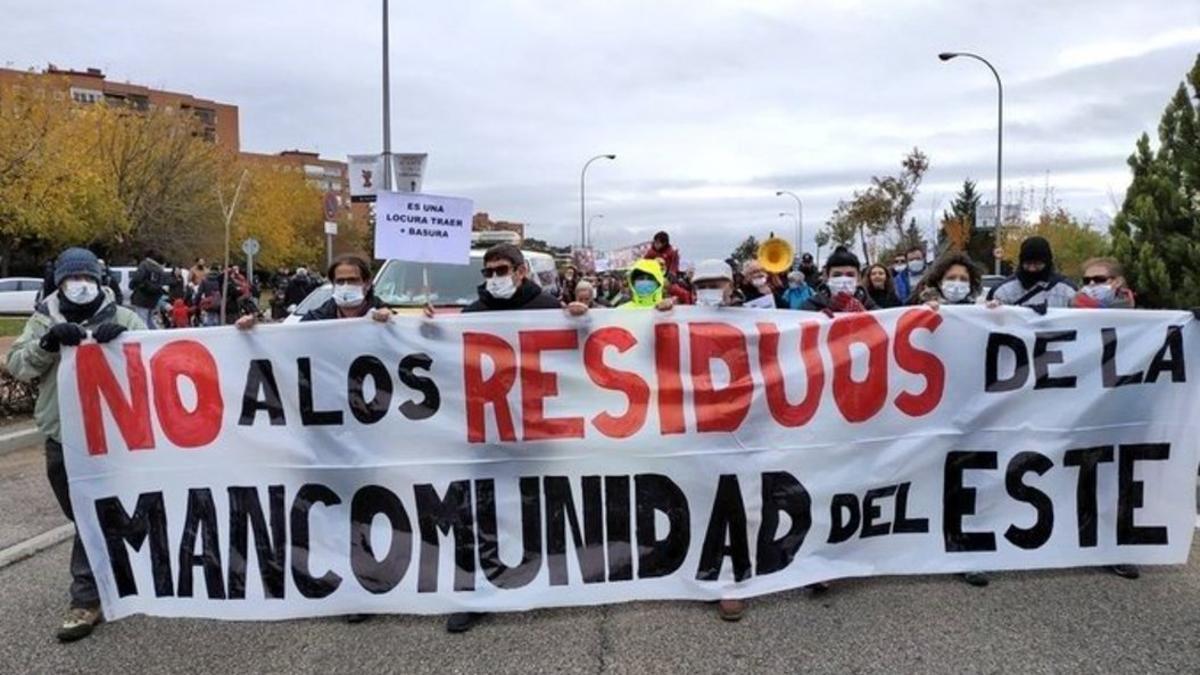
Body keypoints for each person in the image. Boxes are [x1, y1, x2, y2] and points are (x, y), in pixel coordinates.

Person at [422, 243, 577, 634]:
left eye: (501, 269)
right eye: (488, 272)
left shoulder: (547, 310)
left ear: (522, 271)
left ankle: (540, 579)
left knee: (536, 502)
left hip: (536, 429)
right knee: (482, 509)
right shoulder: (472, 314)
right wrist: (424, 330)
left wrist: (582, 319)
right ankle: (480, 592)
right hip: (486, 428)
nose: (494, 278)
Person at [5, 248, 146, 642]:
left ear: (100, 282)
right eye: (72, 279)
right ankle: (117, 567)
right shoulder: (43, 320)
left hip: (114, 440)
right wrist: (47, 344)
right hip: (63, 438)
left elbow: (157, 361)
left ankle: (85, 600)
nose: (80, 286)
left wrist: (128, 342)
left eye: (87, 278)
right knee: (83, 514)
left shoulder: (125, 318)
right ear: (60, 282)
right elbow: (18, 365)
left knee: (90, 515)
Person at [1068, 257, 1141, 580]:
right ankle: (1083, 540)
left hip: (1124, 409)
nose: (1093, 286)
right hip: (1082, 410)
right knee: (1086, 474)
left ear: (1117, 280)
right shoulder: (1070, 312)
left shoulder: (1141, 316)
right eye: (1088, 280)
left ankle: (1119, 548)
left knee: (1121, 478)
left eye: (1100, 279)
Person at [238, 255, 392, 327]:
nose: (346, 285)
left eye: (352, 280)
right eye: (340, 281)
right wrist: (252, 330)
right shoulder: (315, 320)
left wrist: (393, 323)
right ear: (333, 284)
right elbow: (284, 344)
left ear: (367, 283)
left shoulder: (387, 317)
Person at [987, 236, 1076, 310]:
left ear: (1047, 263)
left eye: (1037, 264)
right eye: (1028, 263)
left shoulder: (1067, 291)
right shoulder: (1003, 291)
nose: (1032, 269)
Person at [802, 246, 878, 314]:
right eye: (837, 275)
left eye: (850, 275)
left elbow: (884, 326)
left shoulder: (868, 303)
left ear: (858, 278)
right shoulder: (811, 305)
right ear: (827, 277)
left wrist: (865, 316)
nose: (844, 280)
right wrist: (818, 319)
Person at [912, 252, 984, 308]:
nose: (957, 283)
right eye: (951, 278)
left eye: (963, 279)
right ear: (939, 282)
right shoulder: (920, 304)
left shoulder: (978, 306)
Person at [1070, 257, 1136, 310]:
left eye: (1099, 279)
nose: (1091, 283)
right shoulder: (1071, 308)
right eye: (1086, 280)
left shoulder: (1135, 313)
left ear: (1118, 282)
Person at [128, 250, 167, 329]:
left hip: (142, 297)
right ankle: (156, 335)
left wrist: (132, 286)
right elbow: (161, 284)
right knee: (150, 320)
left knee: (142, 320)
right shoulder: (160, 270)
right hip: (153, 299)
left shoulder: (144, 265)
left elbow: (137, 277)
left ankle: (145, 338)